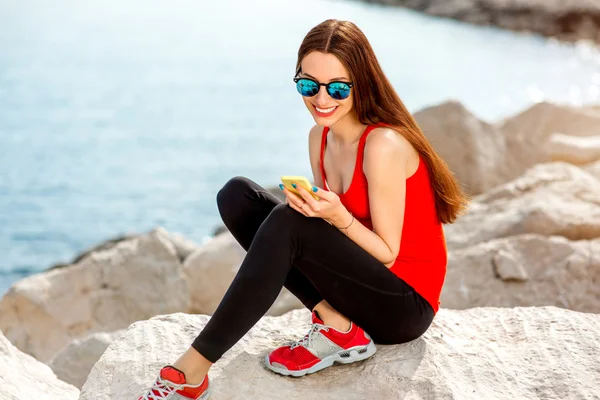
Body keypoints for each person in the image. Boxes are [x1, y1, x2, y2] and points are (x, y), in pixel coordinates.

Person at [138, 18, 468, 400]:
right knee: (237, 196)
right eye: (309, 85)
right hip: (359, 289)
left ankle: (190, 371)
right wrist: (317, 213)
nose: (321, 99)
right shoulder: (320, 138)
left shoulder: (384, 146)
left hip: (404, 307)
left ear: (361, 84)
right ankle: (337, 325)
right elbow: (324, 244)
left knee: (287, 222)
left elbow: (388, 254)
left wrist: (335, 217)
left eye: (338, 88)